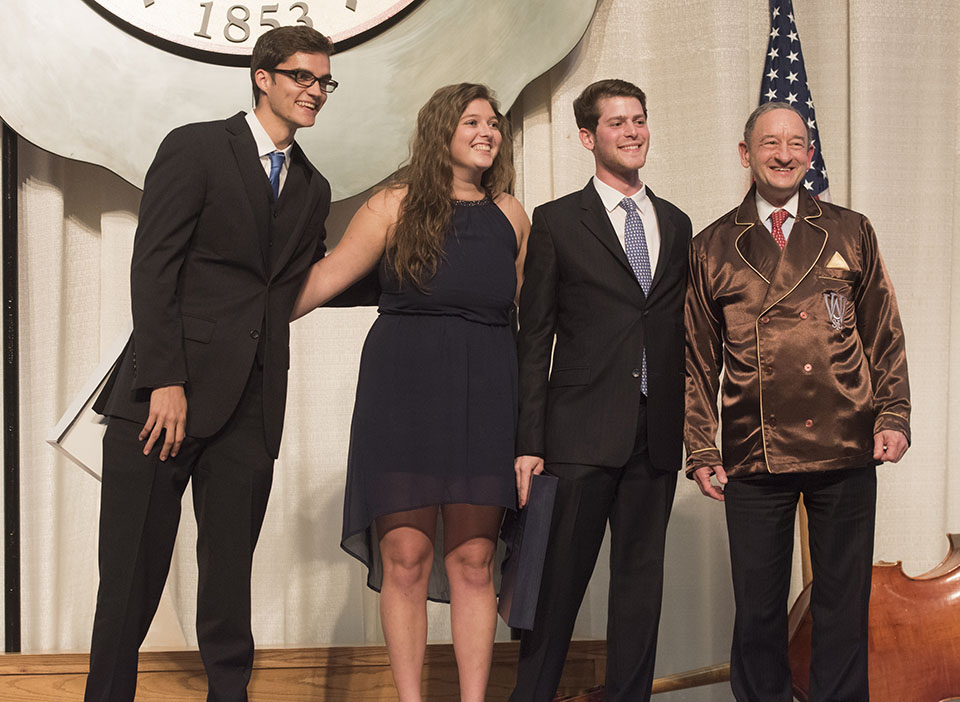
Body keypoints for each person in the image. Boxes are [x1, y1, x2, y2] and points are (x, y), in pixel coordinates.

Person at [84, 25, 337, 702]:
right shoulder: (196, 146)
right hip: (163, 395)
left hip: (251, 406)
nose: (315, 91)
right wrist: (163, 378)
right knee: (130, 580)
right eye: (303, 78)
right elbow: (154, 265)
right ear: (263, 76)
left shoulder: (313, 186)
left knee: (229, 583)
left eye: (324, 81)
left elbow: (295, 284)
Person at [291, 83, 530, 702]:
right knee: (404, 558)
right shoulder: (392, 206)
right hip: (403, 396)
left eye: (493, 123)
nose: (487, 132)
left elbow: (527, 322)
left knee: (475, 562)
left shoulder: (511, 214)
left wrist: (534, 429)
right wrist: (240, 310)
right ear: (440, 133)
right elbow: (322, 281)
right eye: (472, 121)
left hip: (487, 397)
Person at [684, 102, 910, 702]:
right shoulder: (711, 246)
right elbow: (697, 361)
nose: (783, 154)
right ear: (745, 154)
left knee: (842, 604)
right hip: (755, 451)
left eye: (795, 143)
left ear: (810, 154)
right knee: (758, 611)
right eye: (769, 143)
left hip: (846, 439)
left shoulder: (850, 228)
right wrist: (702, 446)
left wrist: (894, 415)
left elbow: (882, 331)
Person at [511, 79, 692, 702]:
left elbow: (677, 332)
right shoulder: (557, 221)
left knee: (641, 591)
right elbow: (533, 340)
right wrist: (528, 443)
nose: (633, 131)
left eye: (639, 119)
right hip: (577, 436)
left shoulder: (677, 222)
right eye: (617, 123)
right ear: (589, 138)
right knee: (554, 587)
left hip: (656, 437)